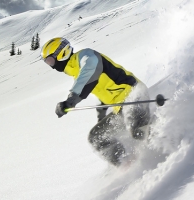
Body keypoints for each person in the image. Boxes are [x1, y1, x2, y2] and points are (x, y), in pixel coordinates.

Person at [41, 37, 150, 166]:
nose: (51, 66)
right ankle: (126, 164)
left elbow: (91, 71)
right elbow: (103, 91)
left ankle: (162, 145)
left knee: (136, 126)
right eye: (47, 63)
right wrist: (102, 114)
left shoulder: (86, 56)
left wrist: (71, 100)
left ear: (61, 53)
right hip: (120, 108)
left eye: (50, 60)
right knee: (97, 137)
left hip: (134, 96)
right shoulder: (76, 72)